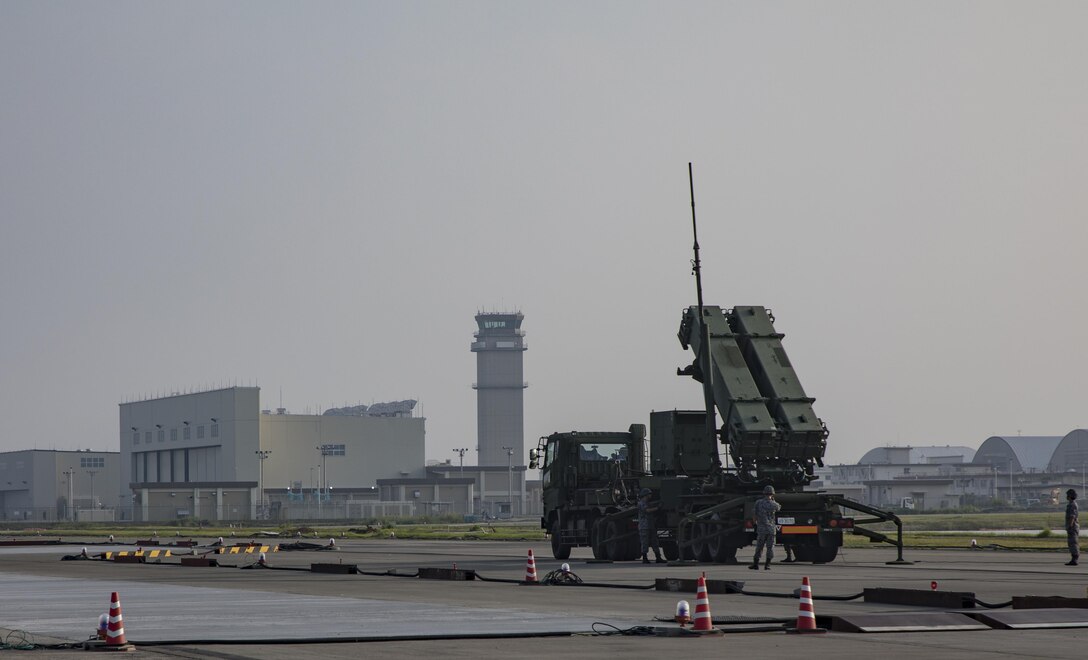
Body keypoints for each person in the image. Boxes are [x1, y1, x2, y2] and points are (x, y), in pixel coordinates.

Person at [750, 485, 781, 570]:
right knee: (770, 547)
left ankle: (755, 564)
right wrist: (773, 500)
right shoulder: (774, 504)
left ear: (764, 493)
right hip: (771, 529)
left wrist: (755, 523)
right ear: (772, 494)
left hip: (761, 528)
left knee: (759, 547)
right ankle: (767, 565)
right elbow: (779, 508)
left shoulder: (758, 502)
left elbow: (754, 514)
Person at [637, 488, 665, 564]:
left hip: (650, 525)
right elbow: (647, 510)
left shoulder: (647, 503)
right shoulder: (641, 503)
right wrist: (657, 508)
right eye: (649, 494)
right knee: (645, 542)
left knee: (654, 542)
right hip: (644, 526)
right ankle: (645, 558)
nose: (650, 496)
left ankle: (658, 557)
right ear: (645, 495)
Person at [1065, 488, 1079, 566]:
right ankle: (1073, 558)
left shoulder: (1072, 505)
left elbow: (1072, 516)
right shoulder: (1071, 504)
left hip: (1072, 527)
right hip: (1072, 526)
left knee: (1073, 543)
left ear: (1070, 496)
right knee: (1071, 543)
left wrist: (1070, 526)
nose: (1066, 496)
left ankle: (1075, 559)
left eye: (1067, 495)